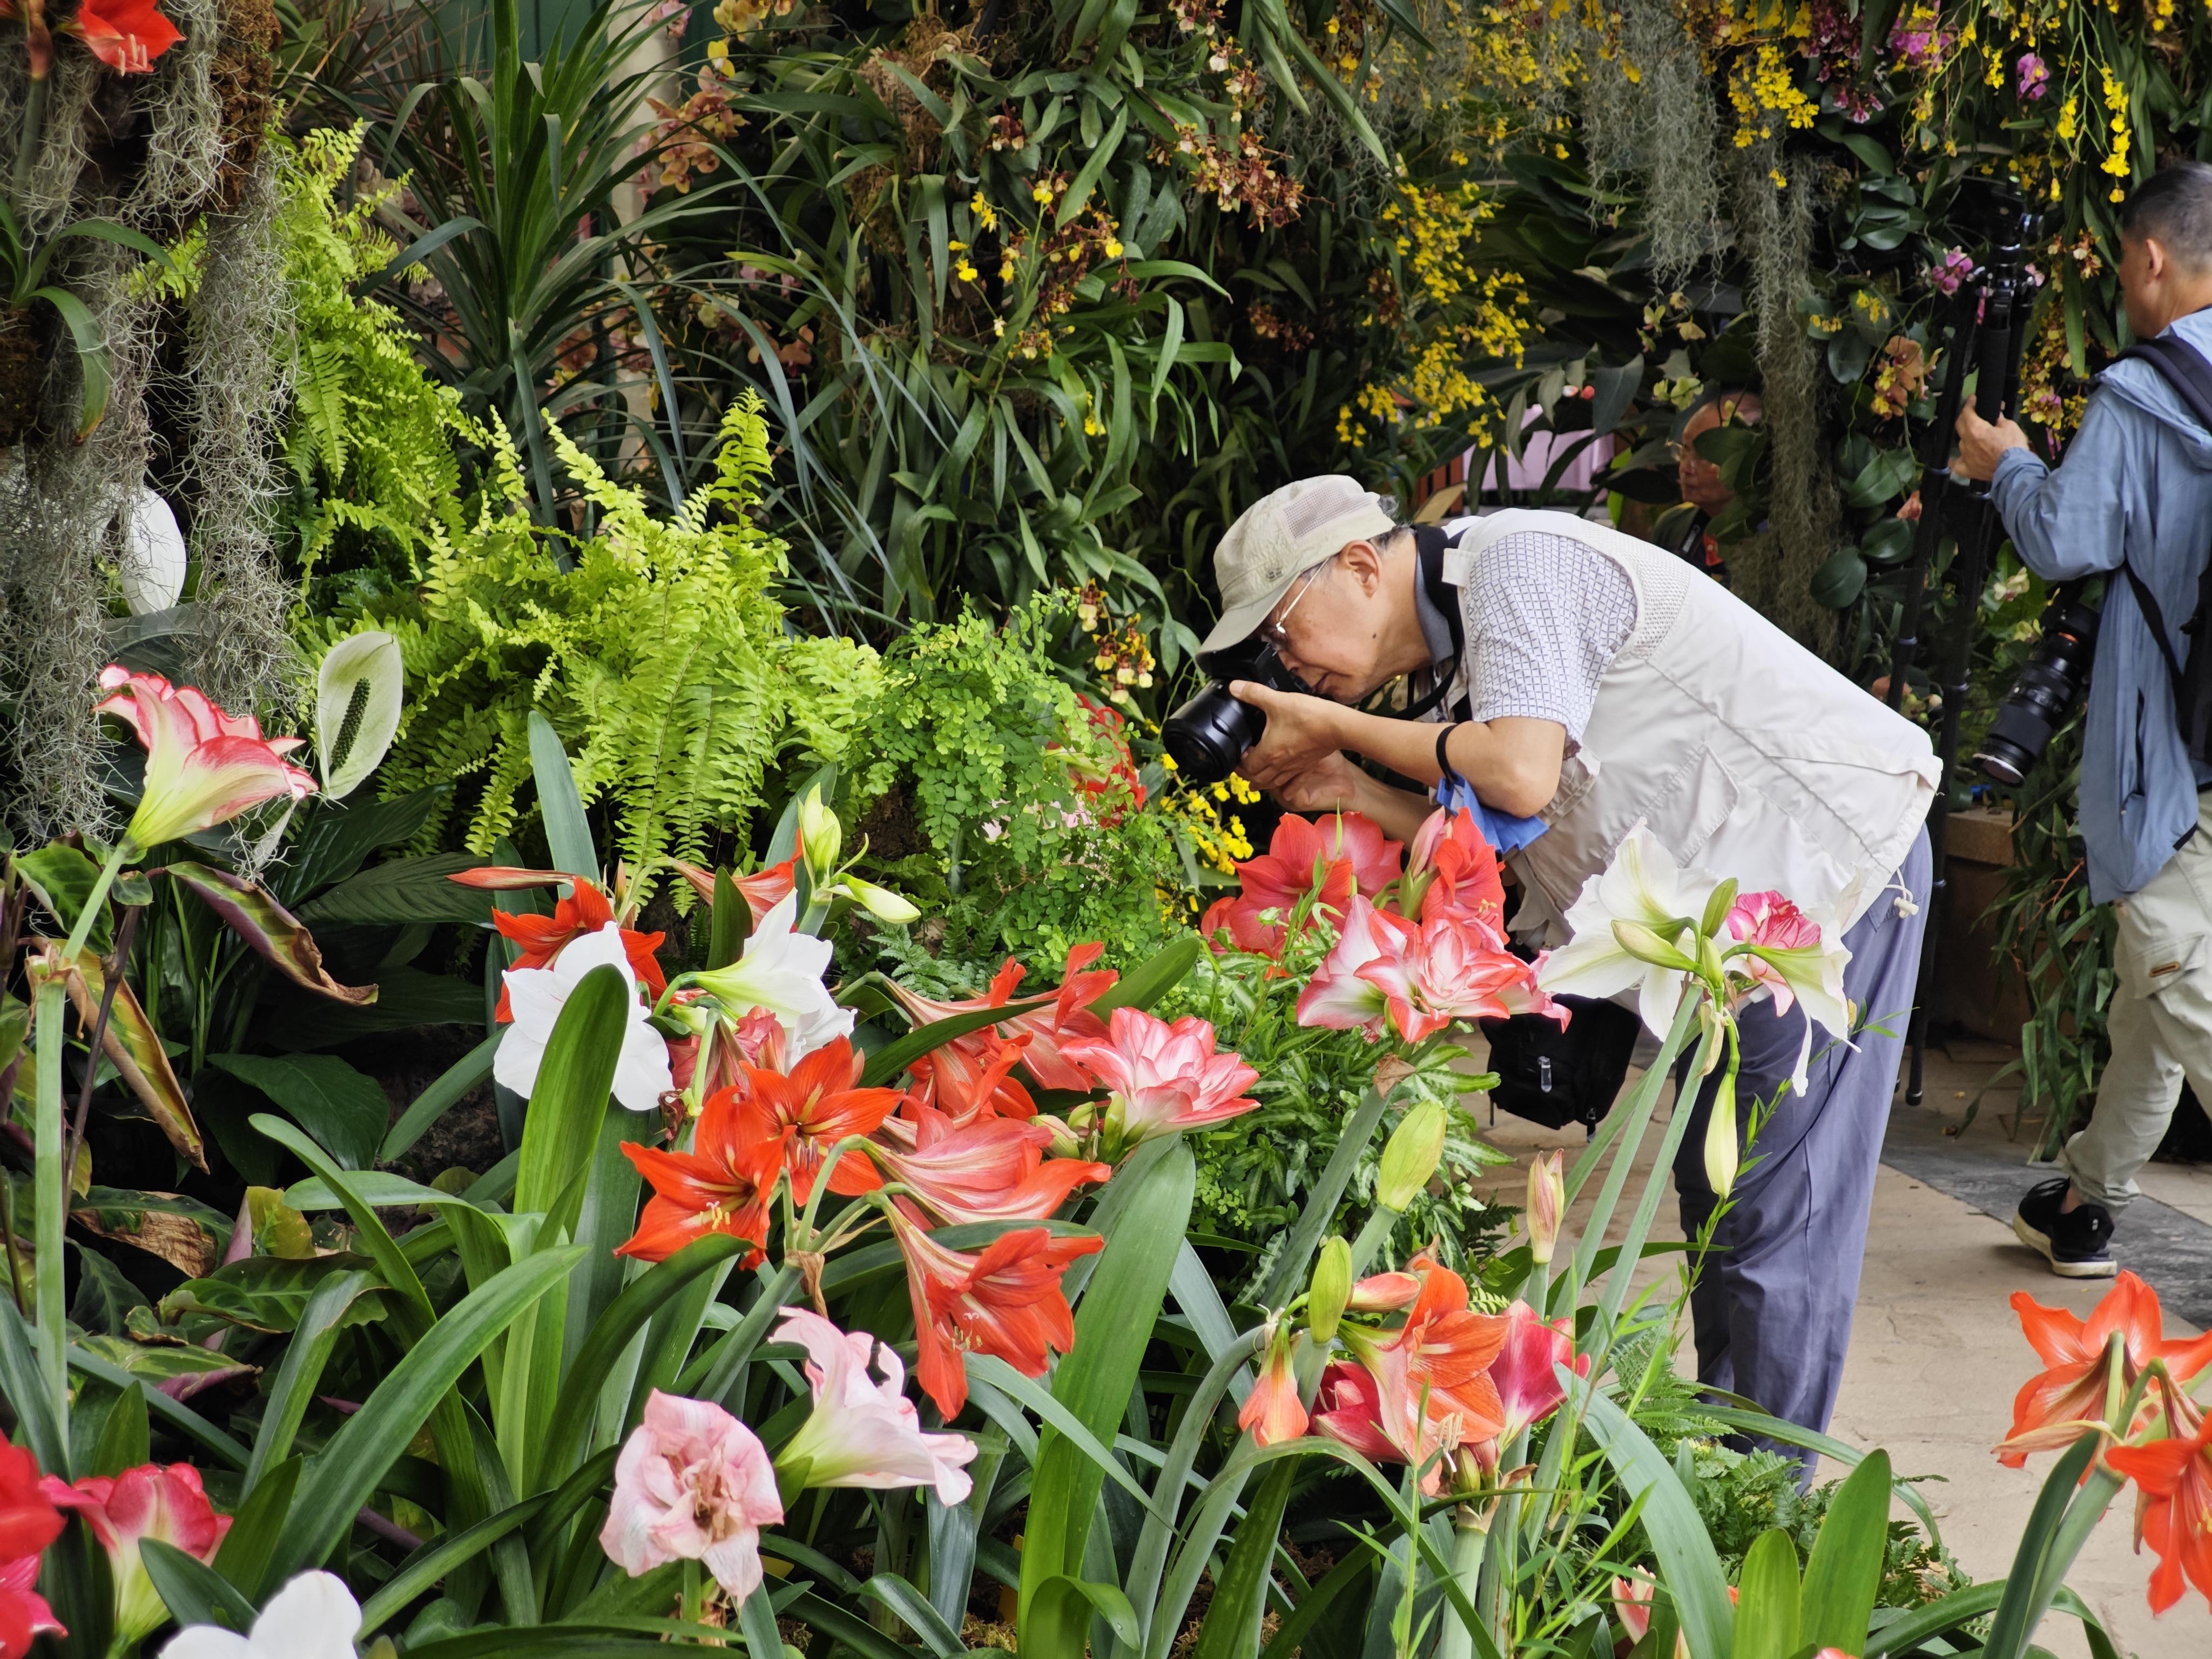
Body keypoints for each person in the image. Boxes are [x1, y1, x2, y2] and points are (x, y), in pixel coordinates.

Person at [1201, 474, 1936, 1471]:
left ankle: (1773, 1525)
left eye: (1281, 640)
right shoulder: (1460, 665)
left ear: (1363, 567)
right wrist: (1346, 788)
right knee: (1721, 1209)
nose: (1284, 674)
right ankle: (1733, 1492)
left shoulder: (1521, 565)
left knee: (1773, 1223)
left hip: (1832, 880)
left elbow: (1518, 773)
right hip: (1723, 936)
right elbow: (1508, 844)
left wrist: (1336, 730)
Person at [1955, 161, 2212, 1278]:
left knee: (2167, 959)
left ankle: (2089, 1192)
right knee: (2151, 983)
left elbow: (2063, 540)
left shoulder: (2142, 393)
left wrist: (2005, 467)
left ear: (2151, 258)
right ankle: (2085, 1200)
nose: (2119, 279)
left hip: (2172, 750)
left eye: (2119, 258)